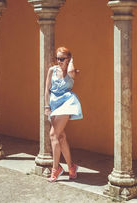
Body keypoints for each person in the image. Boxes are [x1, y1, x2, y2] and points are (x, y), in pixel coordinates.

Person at [44, 46, 83, 182]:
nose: (59, 61)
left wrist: (70, 62)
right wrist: (47, 106)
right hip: (54, 105)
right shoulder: (52, 70)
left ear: (68, 59)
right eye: (57, 58)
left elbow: (71, 70)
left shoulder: (71, 72)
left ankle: (56, 169)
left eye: (62, 59)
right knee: (61, 137)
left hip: (66, 104)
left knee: (53, 134)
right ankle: (71, 166)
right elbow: (47, 89)